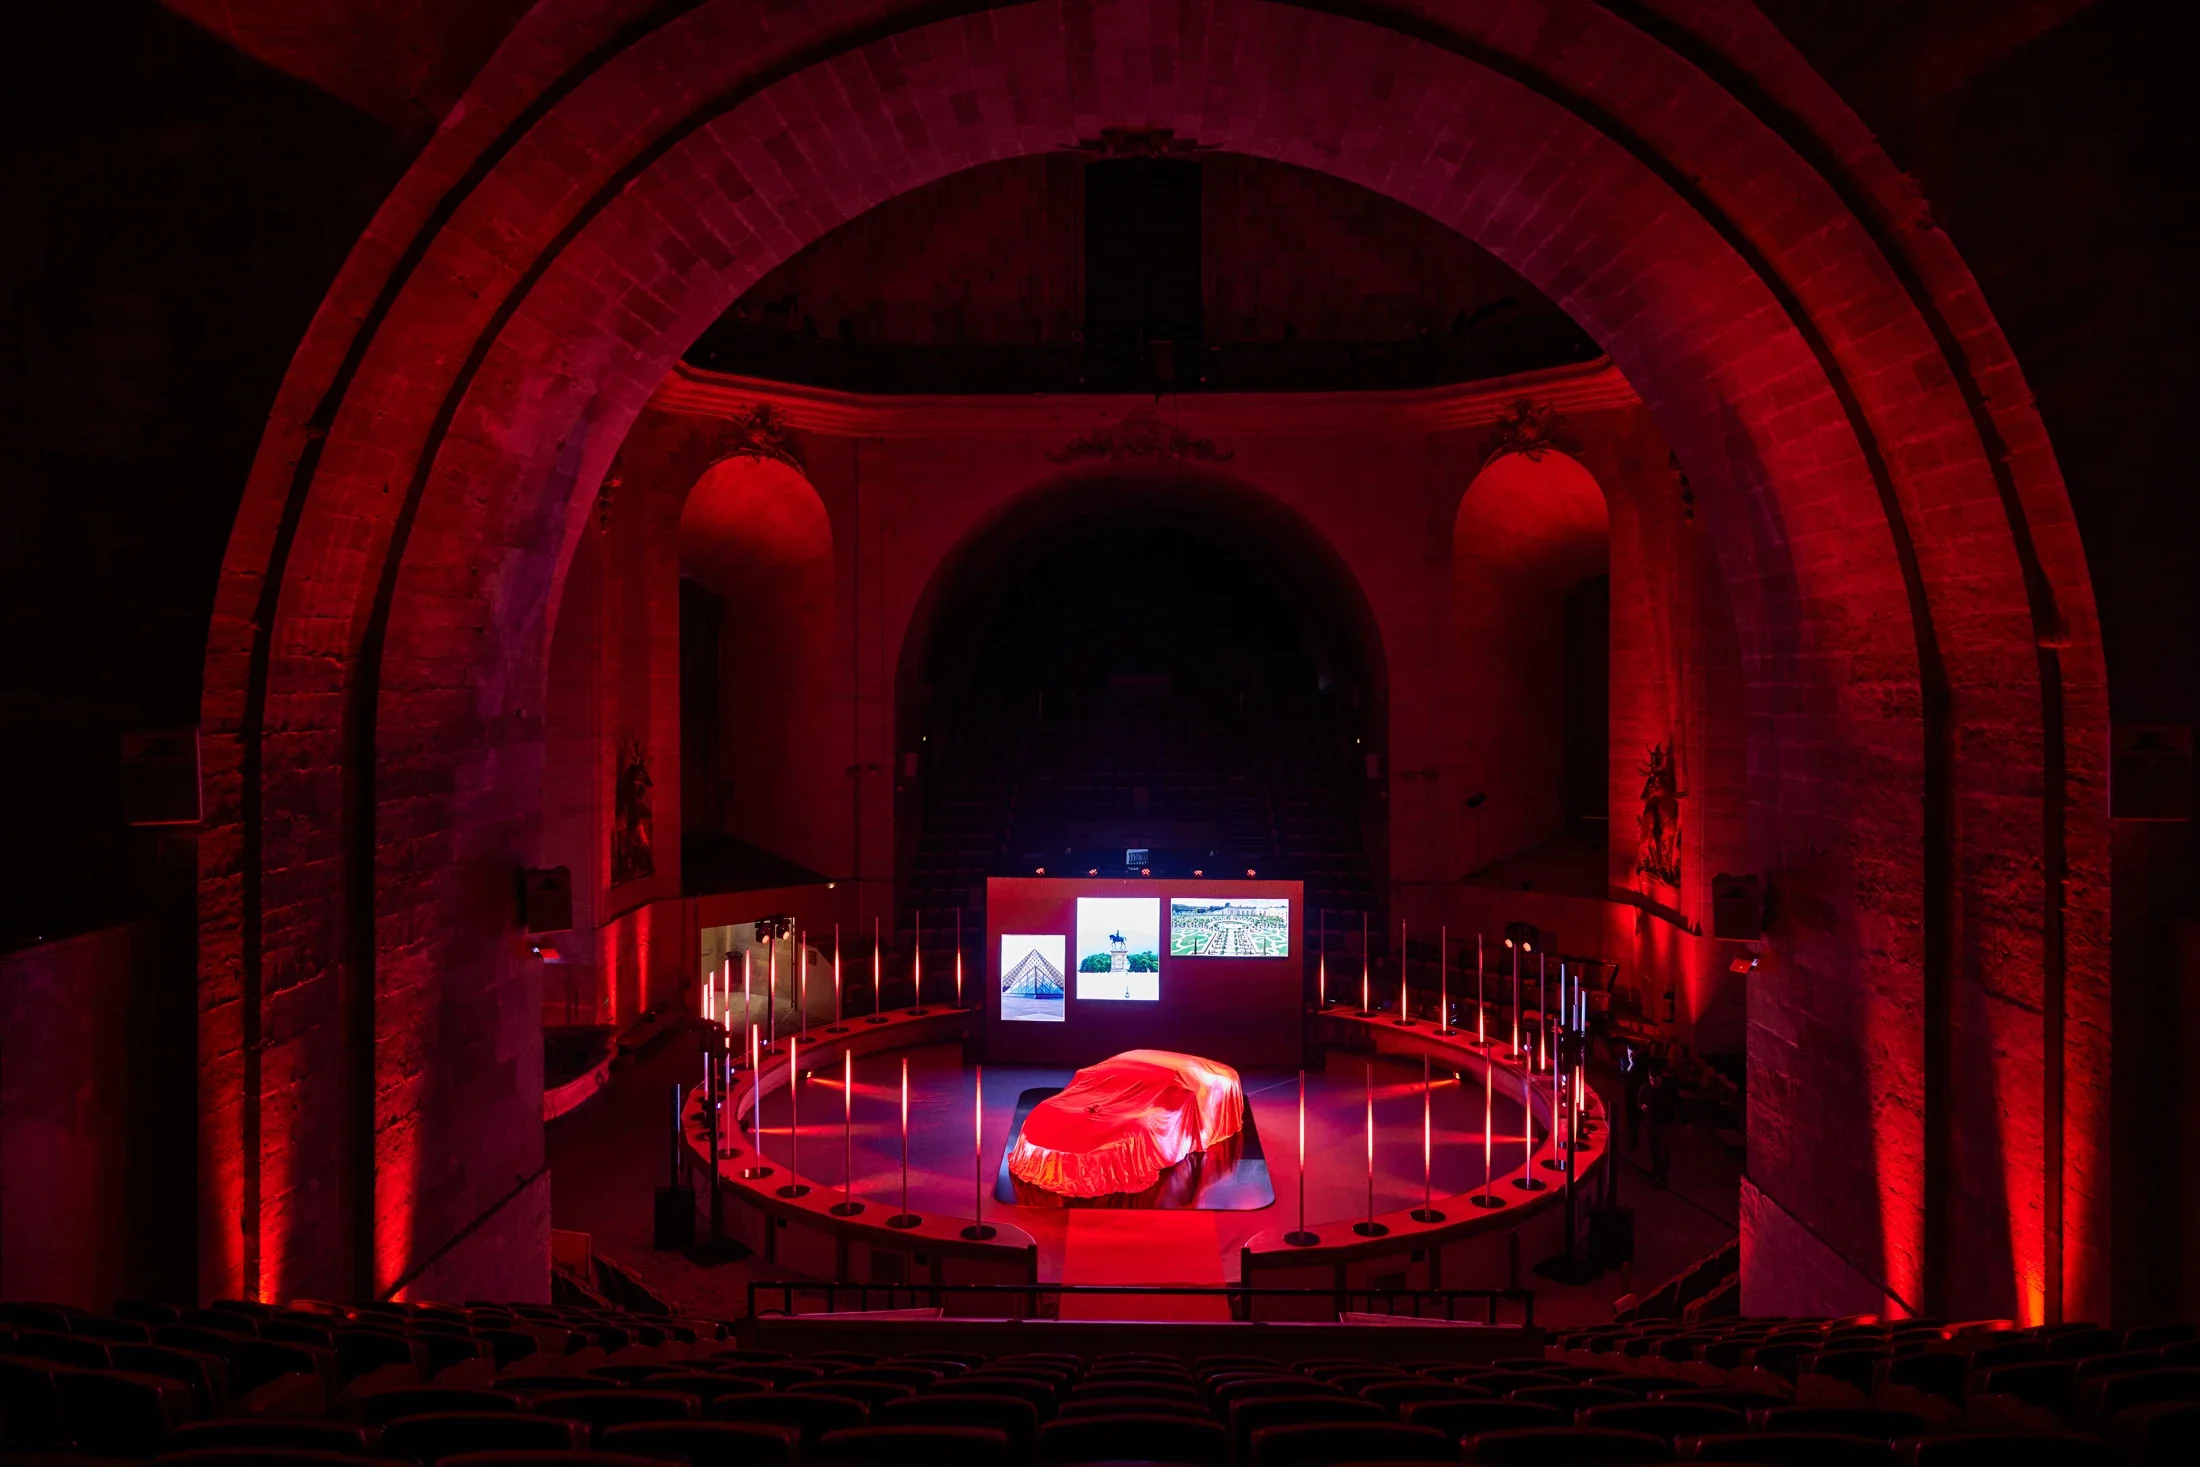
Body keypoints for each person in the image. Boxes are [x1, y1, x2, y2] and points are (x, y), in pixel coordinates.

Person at [1641, 1063, 1680, 1187]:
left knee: (1665, 1149)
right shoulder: (1645, 1088)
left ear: (1661, 1078)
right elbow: (1639, 1100)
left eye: (1656, 1080)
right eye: (1652, 1080)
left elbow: (1679, 1103)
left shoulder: (1669, 1090)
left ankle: (1663, 1174)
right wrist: (1642, 1106)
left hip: (1666, 1124)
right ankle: (1657, 1170)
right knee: (1654, 1148)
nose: (1654, 1083)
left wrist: (1686, 1120)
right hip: (1652, 1124)